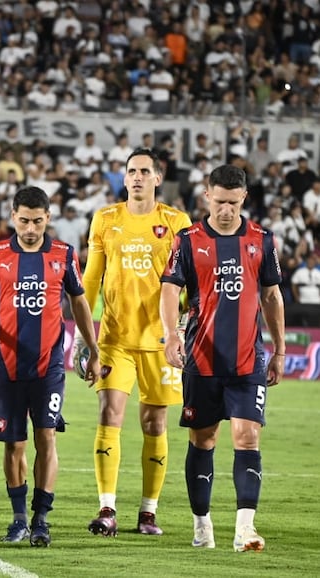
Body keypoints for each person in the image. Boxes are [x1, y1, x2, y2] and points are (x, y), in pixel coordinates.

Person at [0, 185, 100, 547]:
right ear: (12, 216)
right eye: (23, 220)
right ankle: (19, 517)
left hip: (49, 365)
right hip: (8, 366)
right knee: (14, 446)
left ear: (48, 219)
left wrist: (92, 346)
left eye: (37, 221)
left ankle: (41, 518)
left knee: (46, 436)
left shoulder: (64, 254)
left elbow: (79, 302)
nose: (30, 228)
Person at [160, 164, 286, 552]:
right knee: (204, 439)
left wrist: (280, 349)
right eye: (219, 202)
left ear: (243, 198)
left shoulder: (262, 240)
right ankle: (202, 525)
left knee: (247, 437)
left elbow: (271, 296)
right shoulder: (187, 240)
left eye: (233, 203)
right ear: (207, 196)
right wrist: (169, 335)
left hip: (248, 360)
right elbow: (168, 290)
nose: (226, 210)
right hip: (202, 359)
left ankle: (245, 529)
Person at [76, 147, 192, 537]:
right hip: (114, 337)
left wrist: (185, 324)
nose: (138, 177)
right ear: (123, 178)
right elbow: (90, 279)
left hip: (160, 340)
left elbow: (189, 282)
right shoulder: (105, 219)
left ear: (158, 178)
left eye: (145, 171)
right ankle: (107, 508)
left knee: (154, 422)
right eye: (131, 171)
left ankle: (148, 512)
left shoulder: (177, 221)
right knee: (110, 414)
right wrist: (83, 335)